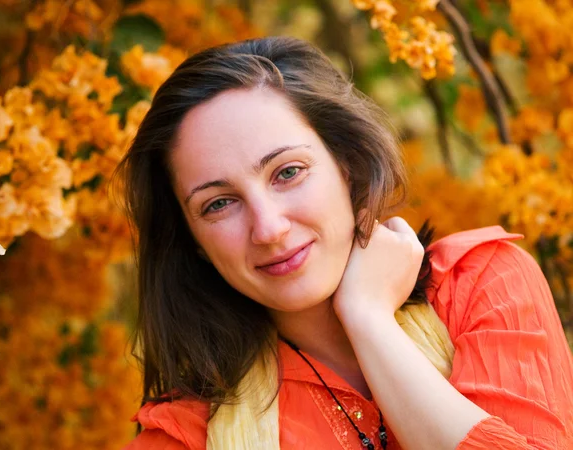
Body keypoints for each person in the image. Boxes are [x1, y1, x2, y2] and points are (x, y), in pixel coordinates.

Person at [118, 36, 573, 450]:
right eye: (218, 204)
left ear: (347, 166)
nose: (269, 228)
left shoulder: (483, 286)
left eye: (288, 172)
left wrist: (368, 319)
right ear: (192, 240)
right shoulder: (184, 436)